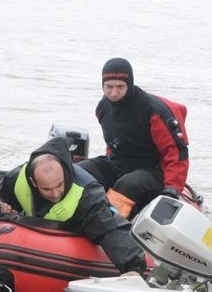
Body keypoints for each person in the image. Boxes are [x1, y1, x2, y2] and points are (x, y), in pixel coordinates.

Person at [0, 136, 147, 275]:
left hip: (76, 235)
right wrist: (3, 204)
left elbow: (109, 228)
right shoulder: (17, 177)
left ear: (65, 173)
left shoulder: (87, 194)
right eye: (47, 189)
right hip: (36, 237)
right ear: (34, 182)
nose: (55, 193)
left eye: (59, 185)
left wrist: (133, 267)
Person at [78, 57, 189, 219]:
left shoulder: (154, 110)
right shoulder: (103, 108)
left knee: (128, 184)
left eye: (120, 87)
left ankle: (106, 223)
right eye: (108, 87)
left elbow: (176, 152)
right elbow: (113, 143)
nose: (113, 93)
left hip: (153, 171)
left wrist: (172, 189)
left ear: (129, 85)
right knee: (77, 172)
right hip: (117, 163)